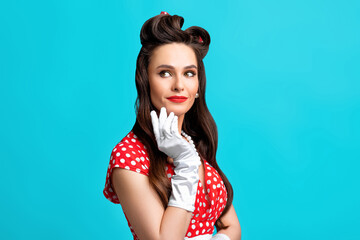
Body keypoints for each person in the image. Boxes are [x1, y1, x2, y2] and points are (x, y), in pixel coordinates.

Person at [103, 11, 241, 240]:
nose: (179, 85)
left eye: (189, 73)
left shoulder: (194, 143)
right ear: (145, 80)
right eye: (165, 73)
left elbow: (231, 228)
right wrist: (186, 165)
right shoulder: (129, 156)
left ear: (198, 85)